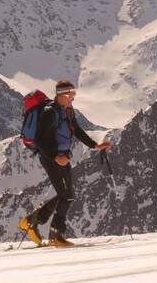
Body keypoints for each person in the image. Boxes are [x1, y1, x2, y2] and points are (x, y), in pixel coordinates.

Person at [18, 80, 111, 247]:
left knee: (67, 195)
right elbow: (40, 140)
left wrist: (95, 146)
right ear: (61, 95)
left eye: (73, 95)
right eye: (70, 95)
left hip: (63, 157)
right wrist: (55, 157)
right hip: (51, 159)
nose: (73, 98)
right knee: (66, 195)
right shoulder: (50, 113)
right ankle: (54, 235)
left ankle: (32, 221)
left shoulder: (67, 111)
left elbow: (77, 130)